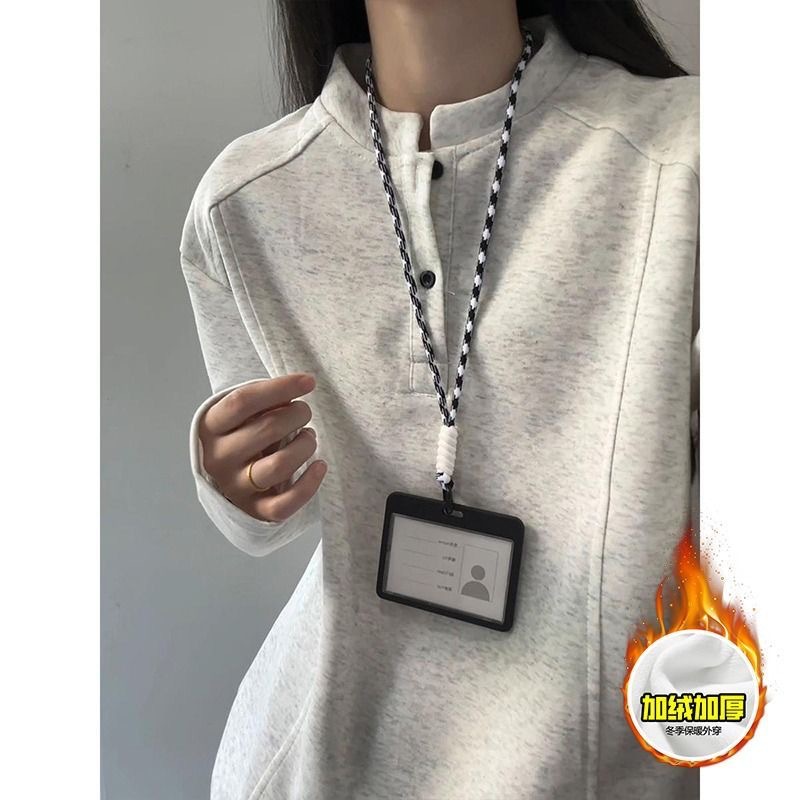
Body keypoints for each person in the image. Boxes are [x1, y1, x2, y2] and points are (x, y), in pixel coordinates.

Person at [178, 1, 699, 798]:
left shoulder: (690, 158)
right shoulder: (245, 198)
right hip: (320, 760)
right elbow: (272, 512)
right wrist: (231, 482)